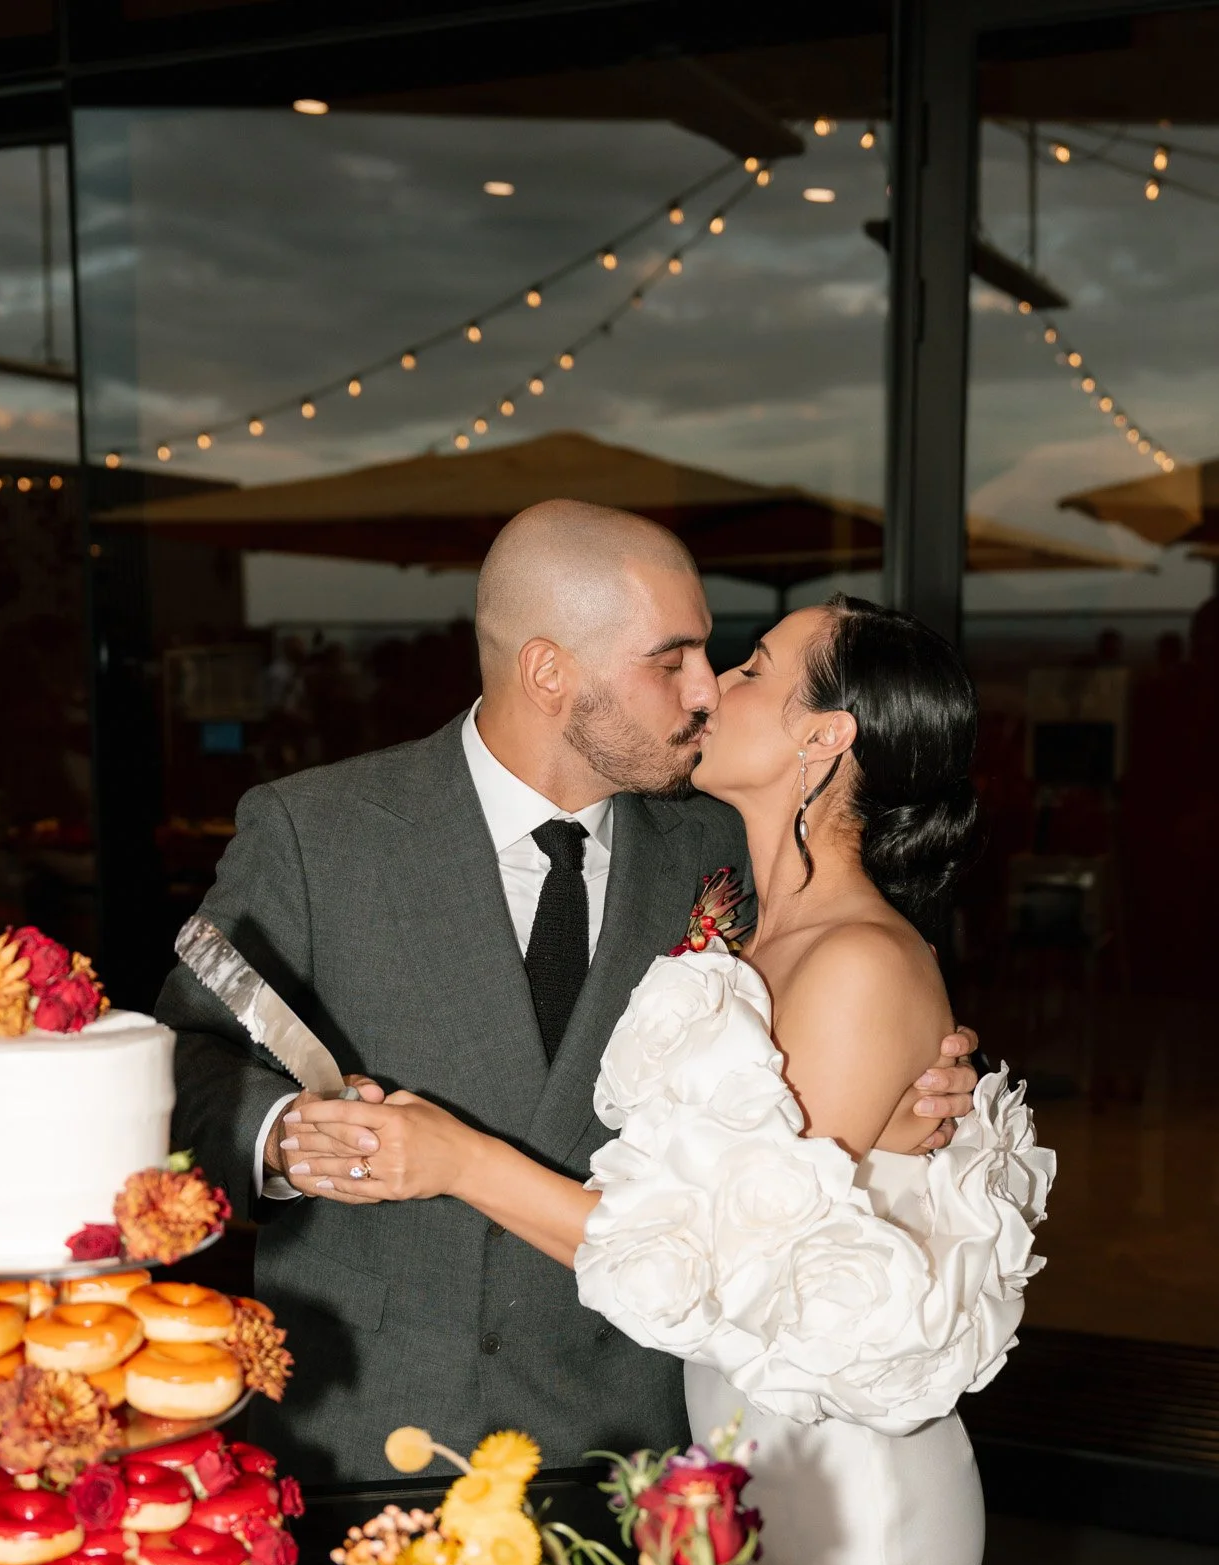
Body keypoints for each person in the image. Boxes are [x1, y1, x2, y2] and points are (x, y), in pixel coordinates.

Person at [293, 592, 1056, 1565]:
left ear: (824, 740)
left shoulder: (855, 966)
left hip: (848, 1485)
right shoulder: (750, 921)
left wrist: (464, 1164)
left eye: (754, 669)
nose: (713, 683)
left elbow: (726, 1276)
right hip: (747, 1453)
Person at [156, 504, 979, 1485]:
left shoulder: (731, 848)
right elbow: (174, 1066)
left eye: (716, 657)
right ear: (551, 673)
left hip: (634, 1448)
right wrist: (281, 1133)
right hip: (372, 1426)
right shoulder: (317, 830)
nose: (706, 690)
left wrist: (899, 1105)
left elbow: (837, 1028)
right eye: (669, 660)